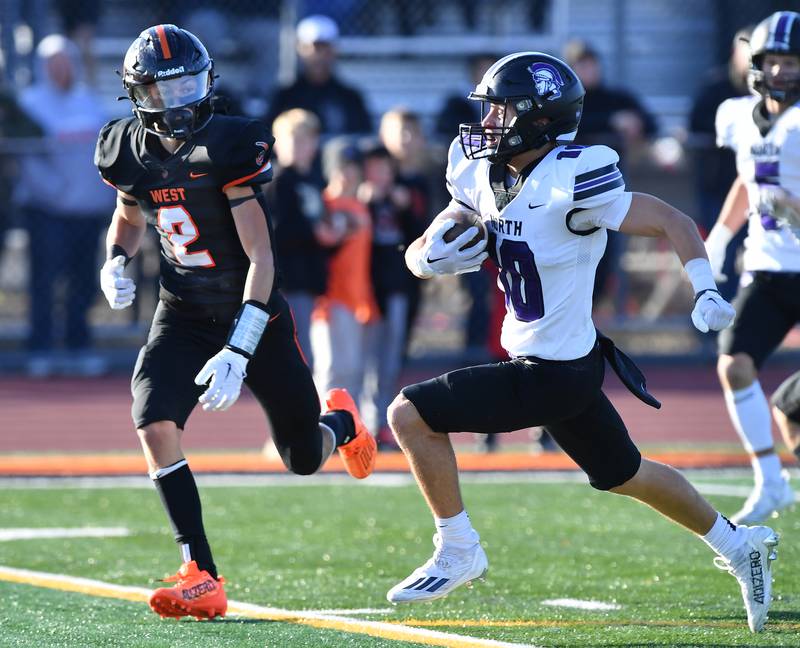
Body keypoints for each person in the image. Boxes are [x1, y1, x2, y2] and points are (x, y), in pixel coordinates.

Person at [384, 51, 779, 634]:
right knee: (628, 474)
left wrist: (703, 288)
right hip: (561, 362)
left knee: (409, 414)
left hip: (552, 372)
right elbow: (456, 214)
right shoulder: (485, 169)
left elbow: (672, 219)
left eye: (501, 110)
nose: (488, 122)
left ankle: (459, 546)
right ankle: (739, 542)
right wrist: (422, 258)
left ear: (540, 119)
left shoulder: (576, 178)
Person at [94, 24, 376, 621]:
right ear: (137, 93)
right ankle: (201, 572)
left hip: (255, 311)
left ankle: (343, 422)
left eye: (189, 86)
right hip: (183, 311)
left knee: (300, 456)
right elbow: (127, 215)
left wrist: (241, 346)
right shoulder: (125, 149)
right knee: (152, 420)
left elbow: (261, 259)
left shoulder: (229, 144)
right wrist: (115, 259)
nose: (181, 102)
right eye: (165, 91)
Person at [704, 10, 800, 525]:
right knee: (733, 365)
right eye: (775, 62)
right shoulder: (739, 115)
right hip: (767, 266)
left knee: (792, 407)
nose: (782, 72)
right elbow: (748, 180)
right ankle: (770, 482)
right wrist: (721, 236)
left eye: (792, 62)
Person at [16, 34, 113, 376]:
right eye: (52, 64)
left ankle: (78, 344)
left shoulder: (90, 102)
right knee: (44, 280)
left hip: (87, 211)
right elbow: (27, 160)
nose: (60, 70)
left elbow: (105, 154)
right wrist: (55, 193)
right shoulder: (29, 104)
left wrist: (99, 195)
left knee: (83, 280)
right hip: (47, 210)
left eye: (65, 62)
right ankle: (40, 348)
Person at [310, 138, 379, 402]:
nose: (348, 173)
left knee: (351, 370)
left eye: (352, 167)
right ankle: (319, 427)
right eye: (342, 166)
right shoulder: (324, 204)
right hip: (328, 299)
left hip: (356, 298)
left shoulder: (360, 206)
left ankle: (345, 428)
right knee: (329, 368)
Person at [688, 26, 752, 301]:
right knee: (721, 256)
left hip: (758, 189)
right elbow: (697, 124)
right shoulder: (717, 89)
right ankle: (715, 325)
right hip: (721, 187)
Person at [264, 108, 329, 368]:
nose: (299, 146)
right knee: (298, 351)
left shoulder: (314, 179)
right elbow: (275, 230)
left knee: (311, 348)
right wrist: (315, 233)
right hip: (289, 277)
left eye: (306, 139)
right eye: (293, 139)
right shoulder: (278, 180)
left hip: (311, 276)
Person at [263, 15, 371, 138]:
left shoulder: (350, 98)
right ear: (299, 49)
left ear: (334, 51)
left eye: (324, 48)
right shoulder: (284, 96)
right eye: (311, 47)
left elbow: (362, 137)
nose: (318, 55)